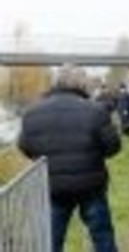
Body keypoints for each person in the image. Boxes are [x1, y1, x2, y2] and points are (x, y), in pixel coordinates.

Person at [18, 64, 121, 252]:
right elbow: (113, 147)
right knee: (102, 237)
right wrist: (93, 154)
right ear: (82, 85)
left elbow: (25, 147)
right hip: (91, 186)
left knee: (51, 241)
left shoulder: (32, 113)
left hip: (52, 187)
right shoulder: (96, 111)